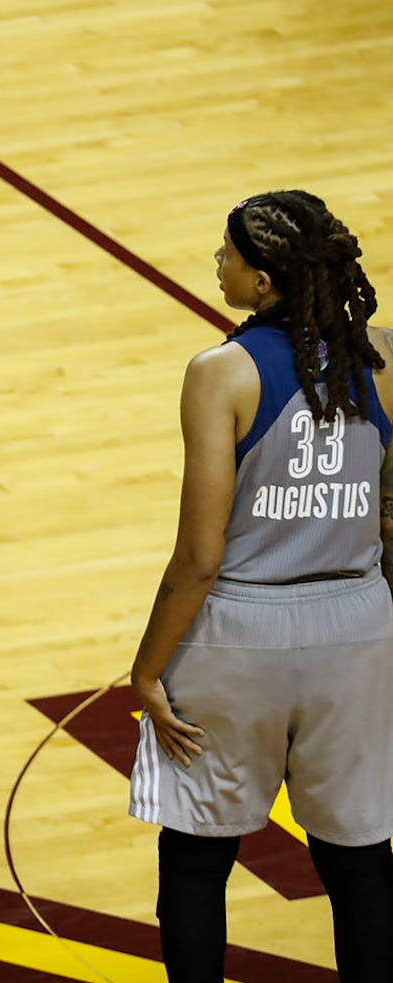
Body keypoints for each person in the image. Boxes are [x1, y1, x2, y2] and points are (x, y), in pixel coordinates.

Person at [128, 191, 393, 981]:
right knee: (361, 864)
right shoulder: (381, 355)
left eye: (230, 254)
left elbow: (199, 555)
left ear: (266, 280)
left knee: (198, 859)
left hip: (240, 630)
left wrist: (147, 668)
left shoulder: (221, 372)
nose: (219, 264)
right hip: (357, 626)